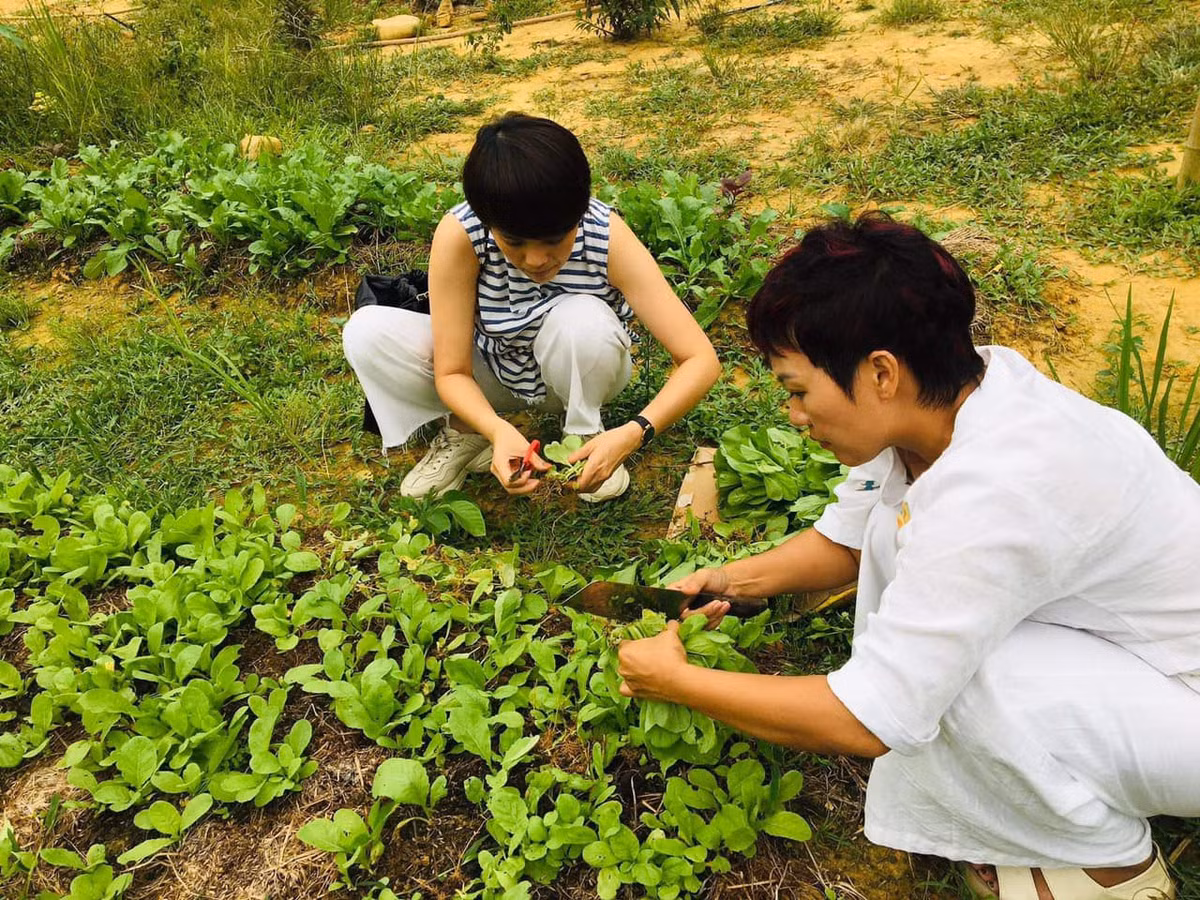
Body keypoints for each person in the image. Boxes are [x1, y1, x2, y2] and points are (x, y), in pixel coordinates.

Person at [617, 213, 1200, 899]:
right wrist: (731, 579)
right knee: (942, 642)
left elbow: (871, 717)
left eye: (799, 391)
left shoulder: (996, 487)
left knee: (955, 678)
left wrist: (677, 682)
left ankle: (1108, 870)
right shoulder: (953, 404)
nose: (795, 417)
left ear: (882, 373)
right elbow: (846, 539)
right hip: (1146, 668)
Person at [343, 113, 720, 502]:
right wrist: (497, 430)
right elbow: (452, 369)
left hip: (579, 367)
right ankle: (468, 432)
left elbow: (700, 358)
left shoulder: (606, 235)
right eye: (515, 242)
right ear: (487, 221)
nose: (537, 259)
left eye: (555, 240)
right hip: (494, 371)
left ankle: (586, 432)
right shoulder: (461, 235)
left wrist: (633, 432)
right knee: (367, 333)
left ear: (579, 214)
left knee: (582, 321)